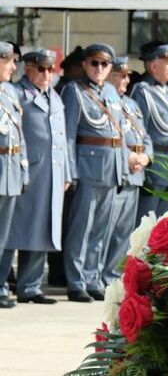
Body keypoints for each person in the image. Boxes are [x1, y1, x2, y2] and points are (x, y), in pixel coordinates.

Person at [0, 48, 68, 306]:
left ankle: (31, 285)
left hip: (48, 171)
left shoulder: (54, 96)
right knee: (12, 231)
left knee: (44, 228)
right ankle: (3, 284)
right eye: (41, 69)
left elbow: (64, 138)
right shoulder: (16, 92)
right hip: (21, 170)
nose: (47, 74)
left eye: (51, 69)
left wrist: (67, 171)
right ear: (28, 68)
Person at [62, 43, 128, 302]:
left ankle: (93, 277)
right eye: (94, 63)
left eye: (104, 64)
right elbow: (68, 134)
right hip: (88, 166)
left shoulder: (111, 91)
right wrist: (71, 170)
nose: (99, 68)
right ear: (85, 65)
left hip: (111, 167)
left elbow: (119, 133)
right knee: (82, 227)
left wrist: (121, 167)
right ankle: (76, 281)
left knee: (102, 228)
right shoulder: (74, 91)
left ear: (110, 67)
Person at [102, 57, 151, 284]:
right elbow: (111, 139)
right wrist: (127, 157)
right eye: (121, 75)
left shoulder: (131, 105)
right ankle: (100, 275)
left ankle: (113, 275)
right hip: (121, 169)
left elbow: (145, 136)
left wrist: (146, 157)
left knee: (125, 232)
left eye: (127, 75)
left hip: (136, 170)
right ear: (110, 77)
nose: (126, 80)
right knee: (107, 228)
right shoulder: (107, 103)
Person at [130, 41, 168, 219]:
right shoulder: (141, 91)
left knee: (164, 222)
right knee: (145, 222)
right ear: (154, 65)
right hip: (154, 165)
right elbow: (138, 131)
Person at [0, 42, 26, 309]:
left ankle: (0, 286)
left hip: (11, 171)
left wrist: (24, 169)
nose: (13, 67)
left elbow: (20, 134)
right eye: (9, 61)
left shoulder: (9, 92)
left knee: (5, 238)